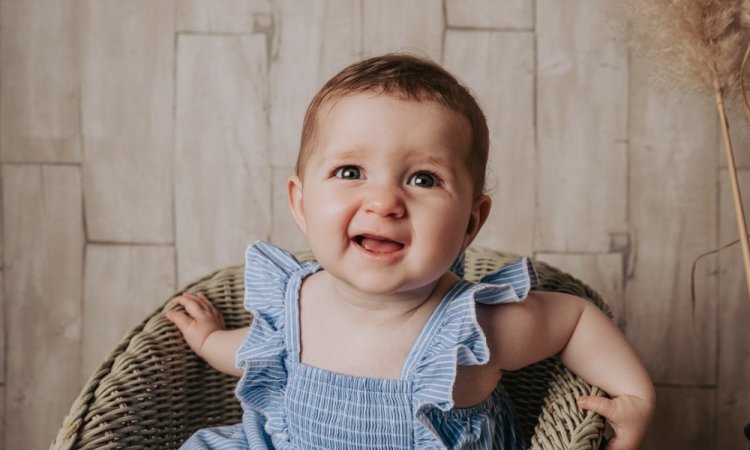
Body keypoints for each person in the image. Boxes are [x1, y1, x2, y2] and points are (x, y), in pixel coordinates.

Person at [167, 53, 655, 450]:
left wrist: (637, 397)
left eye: (423, 179)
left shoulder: (472, 329)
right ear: (300, 202)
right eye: (350, 172)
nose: (383, 202)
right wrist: (210, 341)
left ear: (470, 222)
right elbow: (258, 354)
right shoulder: (295, 298)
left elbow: (573, 321)